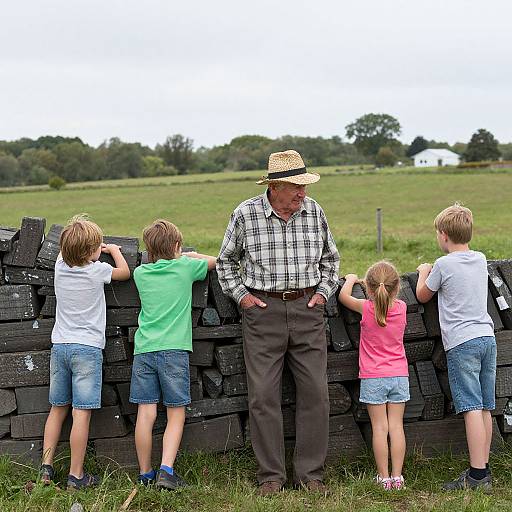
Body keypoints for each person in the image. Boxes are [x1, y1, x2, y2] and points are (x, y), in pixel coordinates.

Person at [217, 150, 340, 495]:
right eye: (296, 187)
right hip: (262, 312)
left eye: (304, 186)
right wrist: (242, 296)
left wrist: (322, 294)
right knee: (263, 397)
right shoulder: (245, 214)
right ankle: (270, 477)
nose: (303, 193)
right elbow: (226, 263)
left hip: (307, 309)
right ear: (276, 186)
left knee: (316, 393)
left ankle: (311, 475)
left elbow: (332, 260)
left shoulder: (314, 211)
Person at [41, 215, 130, 489]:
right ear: (91, 252)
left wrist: (80, 242)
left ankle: (45, 470)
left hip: (61, 347)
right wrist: (113, 251)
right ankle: (76, 475)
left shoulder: (59, 266)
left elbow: (65, 250)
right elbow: (125, 273)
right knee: (81, 413)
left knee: (57, 409)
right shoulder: (97, 270)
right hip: (87, 349)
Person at [129, 219, 216, 490]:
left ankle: (145, 473)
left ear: (149, 249)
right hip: (174, 351)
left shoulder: (140, 273)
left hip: (144, 350)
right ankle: (167, 470)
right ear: (177, 246)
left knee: (146, 412)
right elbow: (218, 260)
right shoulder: (184, 267)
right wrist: (188, 255)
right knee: (176, 413)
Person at [416, 203, 495, 491]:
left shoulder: (443, 264)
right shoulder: (480, 258)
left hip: (463, 342)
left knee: (472, 407)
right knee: (485, 406)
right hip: (487, 337)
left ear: (444, 235)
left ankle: (476, 476)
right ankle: (483, 470)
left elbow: (423, 295)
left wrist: (424, 270)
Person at [338, 261, 408, 490]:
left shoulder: (366, 308)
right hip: (399, 375)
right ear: (396, 288)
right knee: (396, 426)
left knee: (380, 428)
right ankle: (398, 478)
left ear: (369, 289)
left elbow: (343, 297)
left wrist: (349, 278)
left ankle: (383, 478)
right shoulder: (402, 308)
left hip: (373, 377)